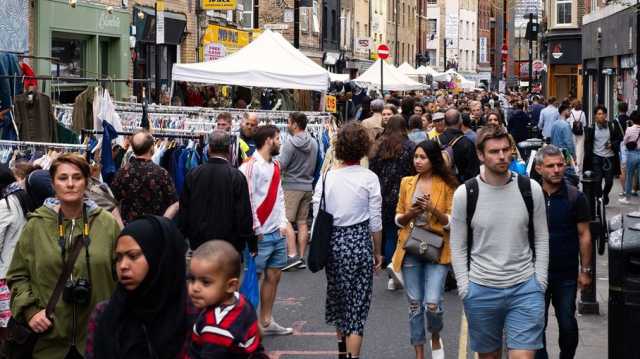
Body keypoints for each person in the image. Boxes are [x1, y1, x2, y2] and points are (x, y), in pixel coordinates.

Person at [450, 125, 549, 359]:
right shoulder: (466, 194)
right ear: (480, 155)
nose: (502, 156)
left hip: (525, 288)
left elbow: (542, 237)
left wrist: (540, 283)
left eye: (506, 150)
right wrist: (465, 289)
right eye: (494, 151)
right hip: (481, 289)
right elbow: (457, 245)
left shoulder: (530, 188)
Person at [7, 154, 120, 358]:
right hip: (48, 341)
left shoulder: (107, 224)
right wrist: (30, 311)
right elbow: (17, 276)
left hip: (95, 340)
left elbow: (122, 275)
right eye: (63, 178)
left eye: (77, 177)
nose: (70, 184)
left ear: (86, 182)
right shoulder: (36, 225)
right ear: (53, 183)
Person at [312, 121, 382, 359]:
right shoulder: (369, 178)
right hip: (360, 242)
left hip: (334, 244)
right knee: (357, 309)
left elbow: (317, 212)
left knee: (340, 301)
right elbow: (376, 222)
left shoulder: (326, 178)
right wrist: (378, 252)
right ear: (364, 146)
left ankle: (342, 352)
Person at [85, 215, 194, 358]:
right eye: (118, 258)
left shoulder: (193, 315)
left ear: (158, 257)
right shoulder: (105, 313)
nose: (123, 266)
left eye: (133, 256)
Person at [393, 140, 457, 359]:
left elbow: (452, 222)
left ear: (433, 160)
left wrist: (433, 210)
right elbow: (398, 219)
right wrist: (411, 212)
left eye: (423, 157)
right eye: (416, 157)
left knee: (432, 305)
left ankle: (436, 335)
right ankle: (419, 352)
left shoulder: (447, 185)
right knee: (414, 305)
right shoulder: (407, 183)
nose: (418, 161)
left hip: (437, 250)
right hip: (411, 248)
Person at [533, 145, 592, 359]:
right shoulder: (531, 195)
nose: (557, 170)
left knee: (567, 323)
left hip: (565, 273)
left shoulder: (575, 197)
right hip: (535, 274)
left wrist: (585, 270)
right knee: (537, 325)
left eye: (560, 165)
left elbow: (584, 234)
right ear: (539, 169)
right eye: (551, 166)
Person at [239, 125, 292, 336]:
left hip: (276, 232)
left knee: (274, 276)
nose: (281, 142)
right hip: (259, 234)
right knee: (253, 277)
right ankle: (246, 325)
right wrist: (256, 228)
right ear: (268, 140)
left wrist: (283, 222)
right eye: (278, 138)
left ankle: (267, 321)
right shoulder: (249, 167)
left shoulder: (276, 165)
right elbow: (248, 199)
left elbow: (279, 195)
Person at [187, 240, 268, 358]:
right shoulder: (240, 299)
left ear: (230, 286)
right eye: (192, 279)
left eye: (205, 282)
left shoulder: (216, 329)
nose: (195, 288)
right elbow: (258, 331)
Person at [178, 132, 254, 255]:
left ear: (209, 148)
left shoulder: (193, 174)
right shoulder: (237, 176)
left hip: (199, 241)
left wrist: (182, 236)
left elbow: (184, 209)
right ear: (229, 149)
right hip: (228, 242)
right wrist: (250, 242)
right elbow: (243, 213)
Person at [0, 169, 53, 336]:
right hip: (22, 274)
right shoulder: (25, 200)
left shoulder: (7, 204)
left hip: (5, 276)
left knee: (6, 331)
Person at [369, 115, 415, 291]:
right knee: (404, 232)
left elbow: (373, 170)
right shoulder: (410, 147)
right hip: (404, 195)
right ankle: (398, 266)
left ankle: (391, 267)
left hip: (383, 194)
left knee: (389, 232)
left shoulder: (379, 145)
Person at [110, 130, 179, 224]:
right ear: (152, 148)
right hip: (154, 230)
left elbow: (111, 202)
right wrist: (163, 222)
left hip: (129, 231)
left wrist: (121, 226)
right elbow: (175, 203)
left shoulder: (122, 173)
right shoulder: (162, 174)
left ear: (133, 149)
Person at [279, 112, 319, 270]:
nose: (288, 126)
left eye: (289, 123)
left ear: (295, 124)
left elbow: (282, 164)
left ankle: (292, 255)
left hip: (291, 185)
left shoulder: (290, 143)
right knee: (302, 223)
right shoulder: (314, 142)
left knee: (286, 220)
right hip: (307, 185)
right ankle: (301, 257)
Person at [583, 105, 624, 206]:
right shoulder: (591, 128)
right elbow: (588, 143)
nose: (600, 116)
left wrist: (612, 144)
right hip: (596, 157)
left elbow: (619, 138)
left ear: (605, 115)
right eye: (598, 114)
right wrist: (588, 157)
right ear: (595, 116)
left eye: (602, 114)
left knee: (609, 181)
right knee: (597, 181)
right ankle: (599, 198)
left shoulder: (612, 126)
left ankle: (605, 194)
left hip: (609, 158)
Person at [438, 108, 480, 183]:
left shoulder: (435, 140)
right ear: (460, 121)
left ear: (444, 122)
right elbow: (473, 171)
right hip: (461, 186)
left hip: (441, 185)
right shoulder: (467, 143)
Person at [620, 111, 640, 204]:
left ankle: (627, 198)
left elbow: (624, 141)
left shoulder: (629, 129)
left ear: (632, 120)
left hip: (632, 154)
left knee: (629, 176)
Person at [569, 100, 587, 172]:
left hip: (572, 132)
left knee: (574, 148)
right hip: (581, 133)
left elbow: (569, 123)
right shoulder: (582, 113)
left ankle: (574, 165)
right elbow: (585, 124)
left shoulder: (571, 112)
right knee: (580, 149)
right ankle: (579, 166)